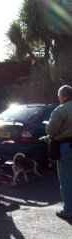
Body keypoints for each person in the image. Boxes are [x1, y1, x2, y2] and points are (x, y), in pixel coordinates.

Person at [46, 85, 72, 219]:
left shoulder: (60, 110)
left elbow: (51, 131)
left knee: (66, 180)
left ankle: (69, 210)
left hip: (66, 148)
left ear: (61, 96)